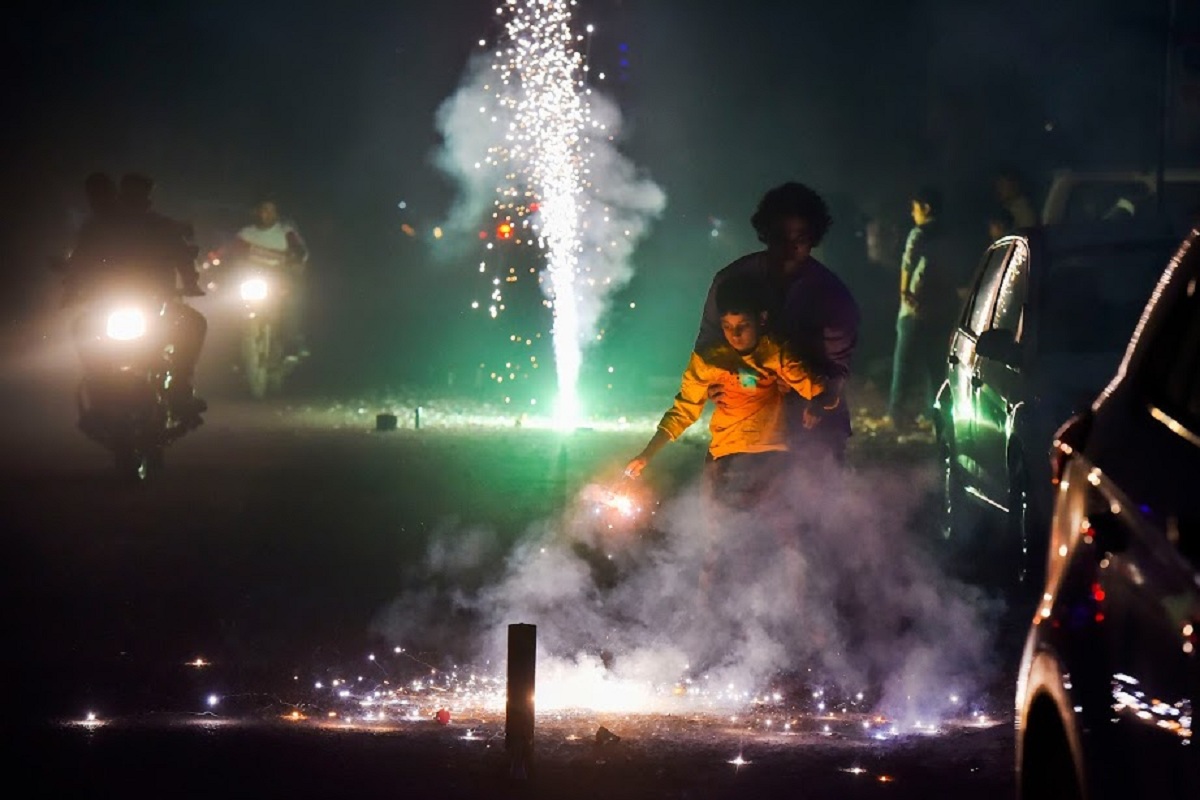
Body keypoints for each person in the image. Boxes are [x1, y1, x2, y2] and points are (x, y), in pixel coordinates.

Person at [625, 274, 825, 508]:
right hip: (723, 457)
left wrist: (816, 404)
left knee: (774, 530)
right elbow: (683, 411)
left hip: (770, 455)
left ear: (761, 319)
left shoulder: (776, 354)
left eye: (743, 326)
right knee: (718, 531)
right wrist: (646, 455)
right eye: (727, 327)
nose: (735, 335)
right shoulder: (709, 360)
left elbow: (819, 391)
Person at [695, 182, 859, 465]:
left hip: (812, 426)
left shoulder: (833, 296)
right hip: (745, 424)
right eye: (781, 237)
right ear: (766, 234)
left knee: (816, 503)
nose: (790, 247)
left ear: (814, 238)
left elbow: (835, 371)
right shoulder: (731, 283)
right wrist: (714, 384)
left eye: (801, 238)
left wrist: (818, 398)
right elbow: (708, 347)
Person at [65, 172, 208, 424]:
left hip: (156, 302)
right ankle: (97, 380)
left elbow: (183, 255)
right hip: (110, 303)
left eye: (141, 195)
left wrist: (190, 282)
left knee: (193, 323)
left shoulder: (162, 226)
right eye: (130, 195)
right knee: (82, 327)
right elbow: (80, 260)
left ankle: (180, 387)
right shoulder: (100, 227)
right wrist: (72, 287)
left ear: (148, 198)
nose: (135, 201)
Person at [885, 186, 959, 431]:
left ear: (926, 208)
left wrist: (904, 293)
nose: (912, 213)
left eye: (915, 208)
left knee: (903, 364)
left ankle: (896, 414)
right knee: (936, 367)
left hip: (914, 311)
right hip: (940, 310)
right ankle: (935, 417)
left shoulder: (919, 233)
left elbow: (908, 265)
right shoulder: (949, 237)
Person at [228, 198, 310, 358]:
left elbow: (300, 251)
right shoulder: (246, 234)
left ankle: (293, 342)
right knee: (230, 306)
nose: (267, 214)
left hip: (279, 277)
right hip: (252, 277)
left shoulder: (285, 232)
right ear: (256, 212)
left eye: (271, 210)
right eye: (264, 210)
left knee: (290, 305)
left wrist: (295, 258)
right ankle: (230, 350)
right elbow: (232, 253)